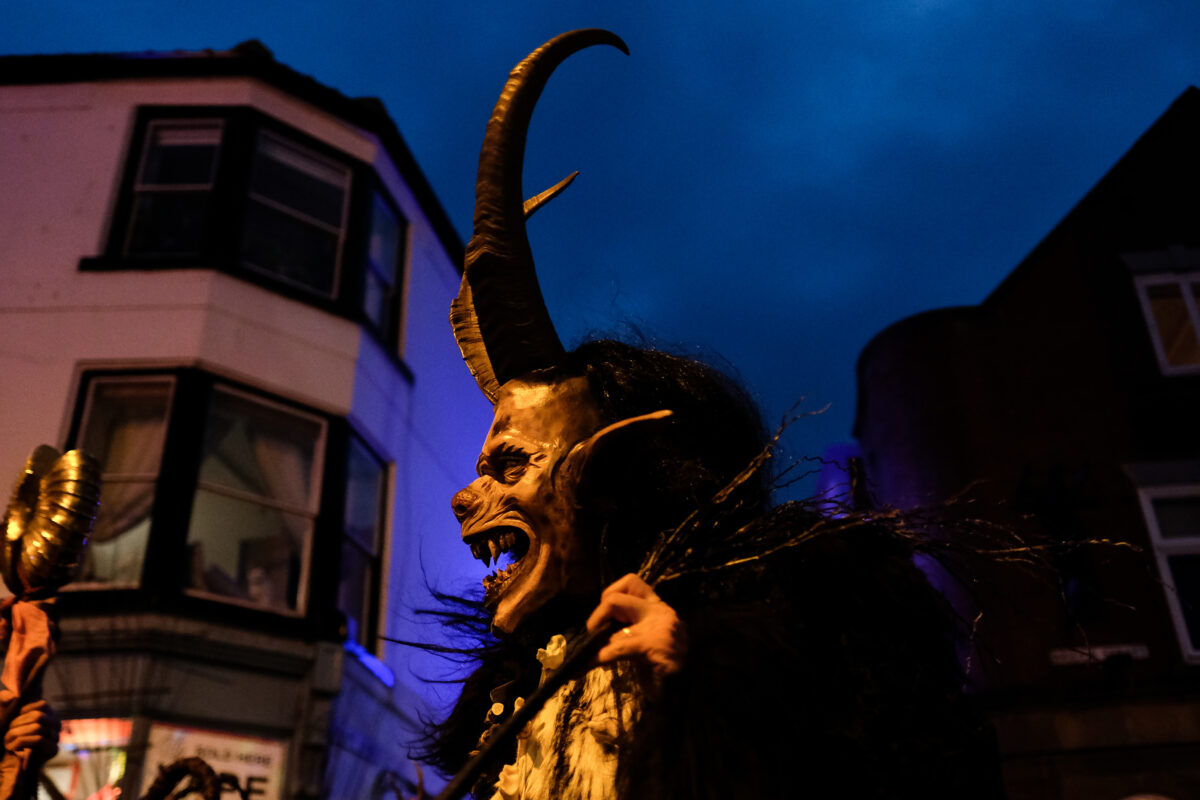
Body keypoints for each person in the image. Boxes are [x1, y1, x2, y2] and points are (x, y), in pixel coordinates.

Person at [419, 29, 999, 800]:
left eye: (510, 464)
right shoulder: (518, 700)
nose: (466, 495)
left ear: (613, 467)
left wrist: (708, 696)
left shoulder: (786, 649)